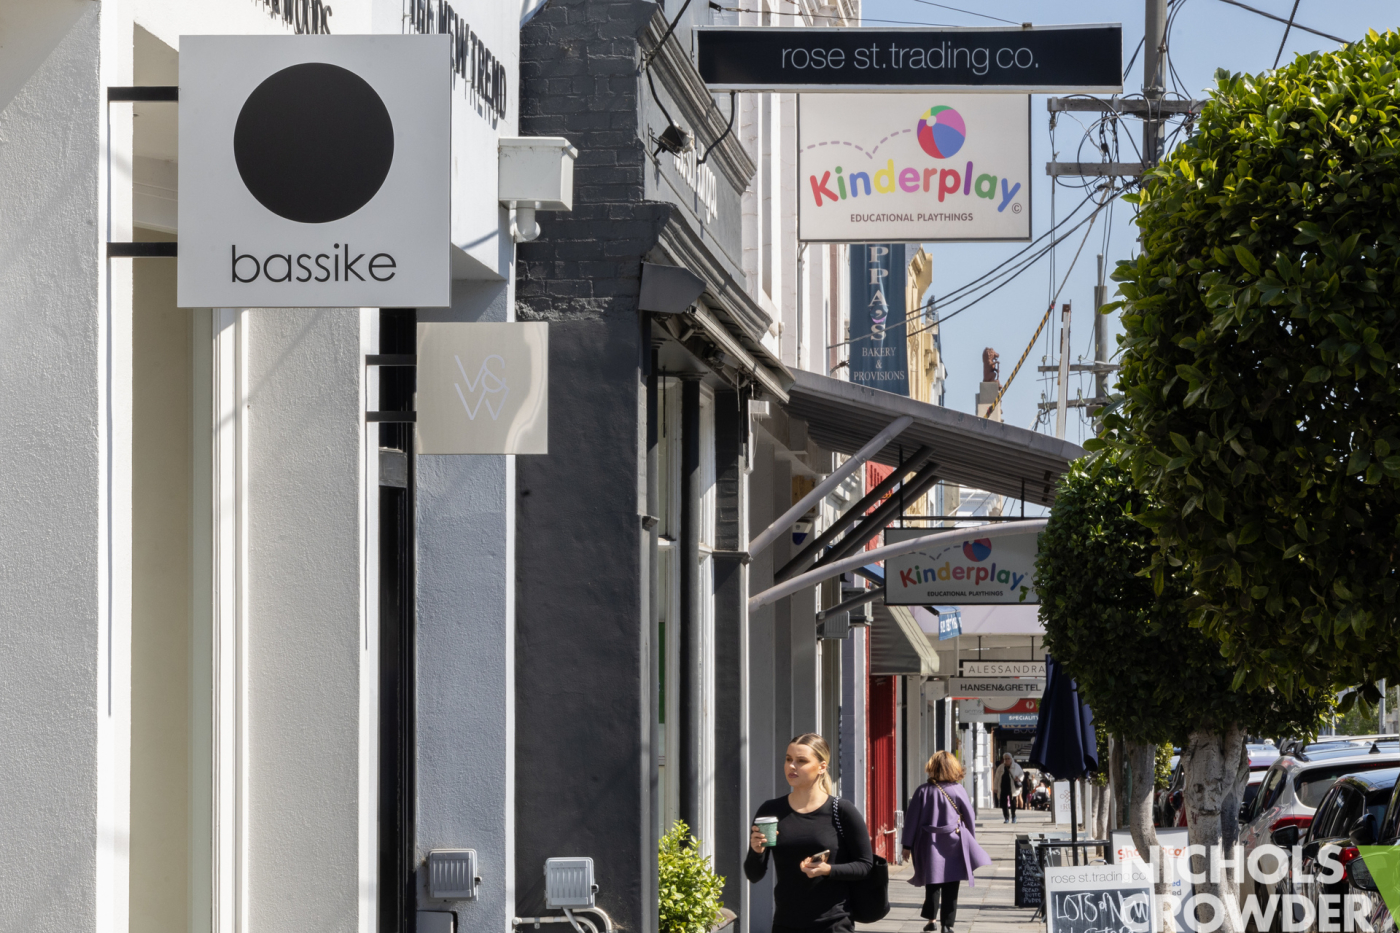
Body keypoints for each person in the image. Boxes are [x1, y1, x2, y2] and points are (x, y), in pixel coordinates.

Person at [746, 733, 872, 933]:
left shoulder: (841, 810)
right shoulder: (771, 811)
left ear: (822, 767)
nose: (792, 766)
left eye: (801, 761)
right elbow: (753, 875)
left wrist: (827, 870)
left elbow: (865, 865)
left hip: (833, 923)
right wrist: (757, 851)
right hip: (785, 923)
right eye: (788, 759)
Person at [901, 751, 990, 933]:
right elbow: (969, 817)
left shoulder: (923, 791)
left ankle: (931, 919)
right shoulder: (958, 790)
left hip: (929, 843)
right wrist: (971, 839)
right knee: (952, 884)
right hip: (954, 841)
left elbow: (911, 820)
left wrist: (907, 845)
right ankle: (947, 925)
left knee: (932, 882)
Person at [992, 752, 1024, 823]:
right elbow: (996, 778)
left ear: (1011, 759)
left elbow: (1021, 774)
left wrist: (1019, 778)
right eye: (1005, 759)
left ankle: (1013, 816)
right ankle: (1006, 818)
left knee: (1013, 803)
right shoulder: (1000, 767)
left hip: (1012, 788)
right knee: (1004, 803)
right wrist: (995, 788)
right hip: (1003, 787)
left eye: (1008, 758)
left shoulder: (1016, 766)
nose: (1007, 760)